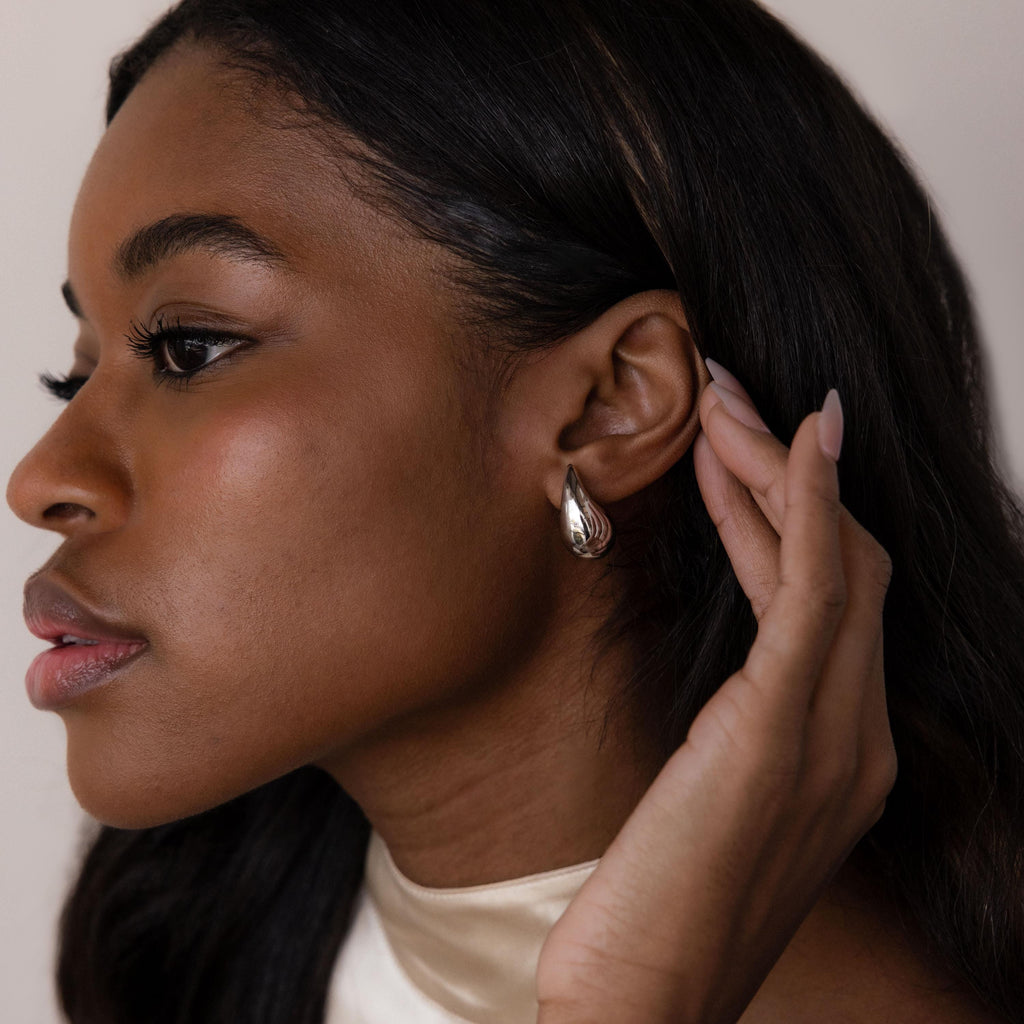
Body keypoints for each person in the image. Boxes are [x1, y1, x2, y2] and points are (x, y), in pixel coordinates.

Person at [6, 1, 1023, 1021]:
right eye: (75, 375)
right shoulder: (184, 971)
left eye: (189, 346)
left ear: (609, 405)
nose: (40, 479)